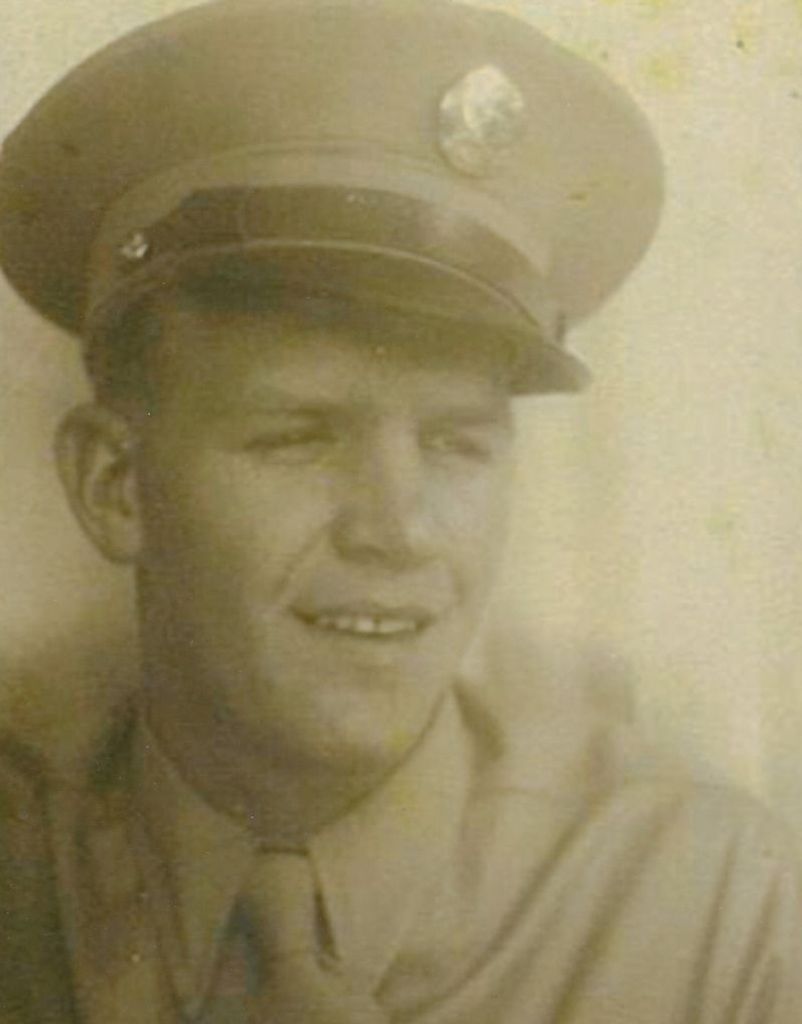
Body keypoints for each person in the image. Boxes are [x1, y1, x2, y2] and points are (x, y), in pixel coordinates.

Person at [1, 1, 801, 1021]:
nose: (398, 528)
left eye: (455, 443)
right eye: (299, 436)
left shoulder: (710, 909)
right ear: (114, 484)